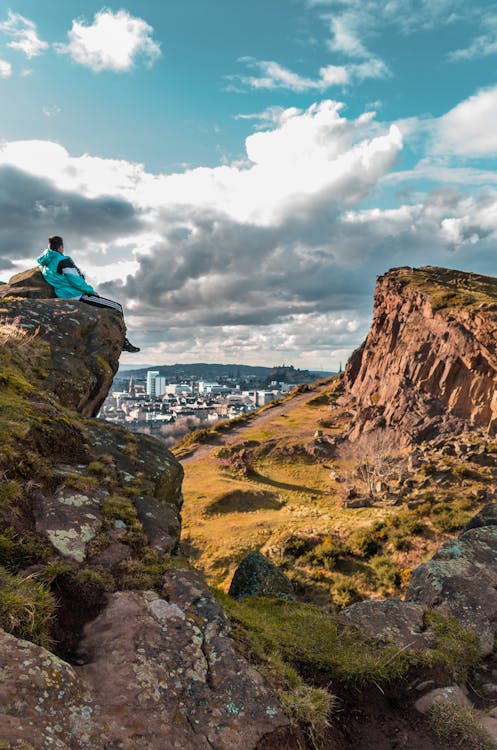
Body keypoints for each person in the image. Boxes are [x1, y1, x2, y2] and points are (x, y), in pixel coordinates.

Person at [37, 235, 140, 353]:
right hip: (77, 295)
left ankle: (123, 341)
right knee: (117, 307)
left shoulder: (43, 263)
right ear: (61, 247)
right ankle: (124, 342)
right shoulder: (63, 260)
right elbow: (75, 280)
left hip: (62, 294)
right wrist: (91, 291)